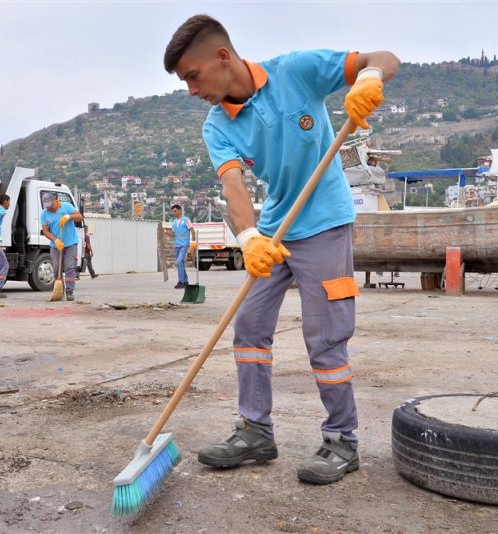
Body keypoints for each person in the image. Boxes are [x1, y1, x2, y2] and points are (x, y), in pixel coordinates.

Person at [164, 15, 399, 484]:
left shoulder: (298, 71)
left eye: (193, 76)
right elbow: (234, 186)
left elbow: (384, 58)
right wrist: (249, 238)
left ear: (222, 57)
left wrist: (368, 79)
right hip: (273, 232)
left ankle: (342, 440)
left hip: (326, 223)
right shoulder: (217, 126)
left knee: (325, 336)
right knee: (248, 327)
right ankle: (255, 431)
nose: (191, 89)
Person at [40, 192, 83, 301]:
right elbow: (45, 231)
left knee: (69, 267)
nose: (49, 208)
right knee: (56, 268)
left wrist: (69, 217)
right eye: (47, 206)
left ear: (56, 200)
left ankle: (69, 291)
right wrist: (56, 240)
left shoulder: (66, 206)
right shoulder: (44, 214)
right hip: (56, 245)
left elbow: (79, 217)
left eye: (50, 205)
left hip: (70, 243)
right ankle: (60, 291)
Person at [171, 203, 196, 288]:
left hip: (184, 244)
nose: (174, 213)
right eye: (173, 212)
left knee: (179, 261)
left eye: (175, 211)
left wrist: (193, 242)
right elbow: (174, 234)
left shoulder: (186, 220)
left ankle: (181, 281)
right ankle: (185, 281)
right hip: (177, 245)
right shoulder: (173, 222)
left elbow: (192, 230)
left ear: (180, 211)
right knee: (180, 263)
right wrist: (167, 233)